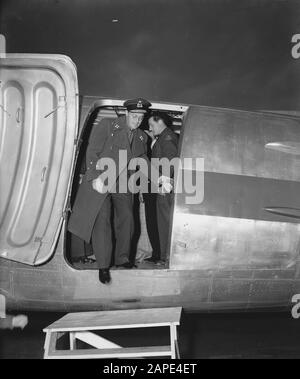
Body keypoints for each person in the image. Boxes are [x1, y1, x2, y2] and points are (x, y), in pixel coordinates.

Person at [68, 98, 152, 284]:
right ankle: (104, 266)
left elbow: (143, 159)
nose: (137, 121)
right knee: (102, 221)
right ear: (127, 114)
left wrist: (159, 177)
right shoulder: (108, 125)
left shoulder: (141, 137)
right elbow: (93, 151)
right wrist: (94, 176)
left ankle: (122, 261)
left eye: (141, 118)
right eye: (135, 116)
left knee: (128, 219)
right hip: (103, 180)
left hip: (123, 182)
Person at [145, 111, 178, 264]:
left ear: (160, 122)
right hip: (161, 185)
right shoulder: (163, 137)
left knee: (164, 222)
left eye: (152, 124)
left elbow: (171, 160)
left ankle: (165, 257)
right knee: (162, 222)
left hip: (164, 188)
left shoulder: (168, 138)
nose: (150, 128)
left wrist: (164, 184)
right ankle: (164, 256)